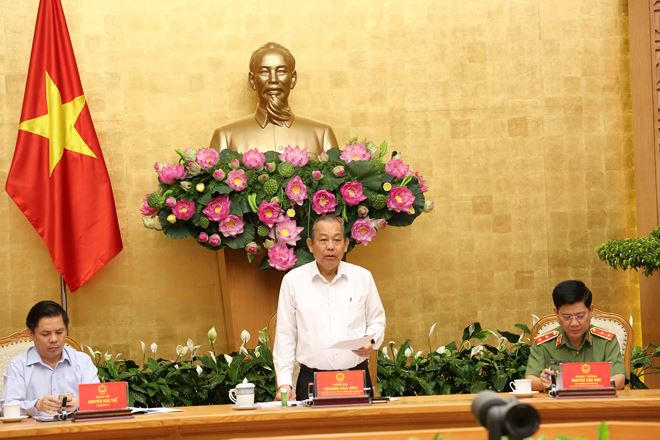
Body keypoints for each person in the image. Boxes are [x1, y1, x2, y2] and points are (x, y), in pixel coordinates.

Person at [273, 216, 386, 400]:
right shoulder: (293, 281)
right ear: (310, 245)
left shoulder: (362, 278)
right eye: (323, 240)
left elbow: (377, 320)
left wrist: (371, 341)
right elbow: (285, 334)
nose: (330, 247)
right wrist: (285, 383)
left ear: (346, 244)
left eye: (337, 240)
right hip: (311, 381)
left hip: (355, 379)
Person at [209, 42, 338, 154]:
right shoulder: (225, 137)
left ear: (293, 79)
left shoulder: (321, 135)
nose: (273, 79)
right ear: (252, 80)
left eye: (281, 71)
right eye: (264, 72)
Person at [2, 300, 99, 416]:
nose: (54, 339)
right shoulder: (18, 366)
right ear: (31, 334)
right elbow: (7, 408)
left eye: (59, 332)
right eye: (45, 334)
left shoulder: (82, 361)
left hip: (76, 426)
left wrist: (79, 403)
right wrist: (36, 405)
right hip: (35, 427)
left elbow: (99, 399)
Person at [525, 280, 626, 391]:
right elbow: (530, 380)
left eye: (580, 316)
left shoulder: (606, 340)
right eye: (567, 317)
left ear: (591, 310)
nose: (574, 323)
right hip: (557, 401)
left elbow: (619, 379)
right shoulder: (543, 343)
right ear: (556, 313)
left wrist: (578, 383)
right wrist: (544, 382)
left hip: (597, 400)